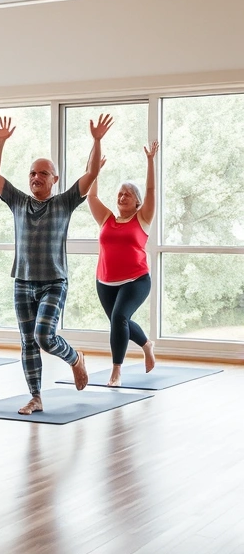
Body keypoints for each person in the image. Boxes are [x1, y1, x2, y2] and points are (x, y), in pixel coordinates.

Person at [0, 114, 113, 414]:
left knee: (44, 336)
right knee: (27, 342)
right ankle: (36, 396)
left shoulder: (64, 202)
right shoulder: (17, 201)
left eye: (43, 173)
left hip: (54, 281)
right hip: (22, 280)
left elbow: (92, 172)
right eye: (32, 173)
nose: (36, 178)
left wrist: (96, 140)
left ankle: (74, 359)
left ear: (54, 179)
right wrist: (0, 142)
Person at [87, 142, 159, 386]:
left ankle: (116, 370)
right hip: (105, 280)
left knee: (119, 318)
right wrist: (94, 170)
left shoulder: (143, 218)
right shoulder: (106, 218)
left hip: (136, 280)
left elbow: (150, 190)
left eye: (128, 193)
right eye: (119, 193)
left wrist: (150, 160)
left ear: (137, 201)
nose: (122, 195)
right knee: (120, 321)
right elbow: (92, 195)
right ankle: (147, 344)